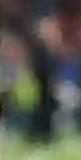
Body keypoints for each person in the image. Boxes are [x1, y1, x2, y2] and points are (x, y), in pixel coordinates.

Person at [25, 17, 62, 148]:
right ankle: (36, 136)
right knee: (40, 113)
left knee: (47, 113)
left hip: (47, 88)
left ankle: (45, 137)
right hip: (40, 88)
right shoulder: (39, 51)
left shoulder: (51, 51)